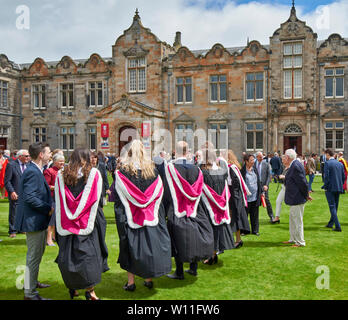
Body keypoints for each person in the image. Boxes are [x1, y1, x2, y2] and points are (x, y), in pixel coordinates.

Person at [112, 140, 171, 291]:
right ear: (144, 152)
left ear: (129, 153)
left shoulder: (122, 172)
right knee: (148, 245)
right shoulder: (153, 172)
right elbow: (158, 196)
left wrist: (121, 218)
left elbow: (119, 200)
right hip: (150, 216)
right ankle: (148, 279)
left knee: (130, 247)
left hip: (130, 216)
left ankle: (131, 283)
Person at [55, 148, 109, 300]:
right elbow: (95, 197)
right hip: (88, 220)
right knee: (88, 255)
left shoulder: (61, 175)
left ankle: (72, 288)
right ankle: (90, 290)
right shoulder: (92, 175)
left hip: (66, 222)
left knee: (68, 255)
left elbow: (58, 198)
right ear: (85, 159)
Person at [164, 141, 214, 280]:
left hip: (176, 207)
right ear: (187, 152)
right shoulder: (196, 169)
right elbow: (199, 190)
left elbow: (167, 191)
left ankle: (179, 271)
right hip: (194, 207)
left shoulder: (170, 168)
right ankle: (193, 268)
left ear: (176, 151)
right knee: (194, 236)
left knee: (177, 239)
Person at [14, 143, 54, 300]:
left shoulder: (35, 170)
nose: (50, 155)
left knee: (36, 254)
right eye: (49, 152)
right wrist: (48, 208)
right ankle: (30, 293)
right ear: (41, 155)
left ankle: (32, 282)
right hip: (33, 220)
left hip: (36, 220)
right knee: (33, 256)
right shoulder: (33, 172)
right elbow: (30, 197)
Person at [200, 148, 234, 264]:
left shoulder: (204, 173)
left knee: (209, 229)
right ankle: (214, 253)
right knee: (218, 229)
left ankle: (211, 255)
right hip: (220, 204)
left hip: (208, 204)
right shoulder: (222, 171)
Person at [282, 149, 312, 247]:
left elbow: (303, 182)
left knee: (297, 220)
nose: (283, 158)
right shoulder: (293, 165)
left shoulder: (295, 166)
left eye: (284, 156)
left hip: (297, 198)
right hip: (294, 197)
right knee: (292, 219)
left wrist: (306, 195)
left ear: (288, 157)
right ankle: (293, 238)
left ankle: (300, 241)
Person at [5, 149, 30, 238]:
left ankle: (22, 228)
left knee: (24, 211)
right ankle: (12, 230)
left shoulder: (29, 165)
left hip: (26, 193)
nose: (28, 158)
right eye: (26, 156)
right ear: (20, 157)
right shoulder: (11, 165)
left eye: (28, 156)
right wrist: (12, 191)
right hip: (15, 192)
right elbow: (7, 181)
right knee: (14, 212)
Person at [227, 150, 250, 248]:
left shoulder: (232, 168)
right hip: (234, 196)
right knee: (234, 219)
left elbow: (235, 183)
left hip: (234, 196)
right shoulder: (232, 167)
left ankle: (237, 240)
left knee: (235, 219)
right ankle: (237, 239)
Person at [43, 153, 65, 246]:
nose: (62, 163)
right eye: (60, 161)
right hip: (52, 198)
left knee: (59, 218)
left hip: (61, 197)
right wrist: (56, 187)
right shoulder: (49, 171)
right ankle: (48, 238)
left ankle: (55, 236)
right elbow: (45, 186)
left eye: (63, 161)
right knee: (52, 218)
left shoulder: (64, 171)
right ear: (55, 162)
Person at [322, 149, 345, 232]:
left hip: (330, 187)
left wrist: (325, 186)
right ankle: (331, 223)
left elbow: (326, 177)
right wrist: (340, 185)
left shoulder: (327, 163)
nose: (325, 156)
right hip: (338, 187)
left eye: (325, 155)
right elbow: (343, 177)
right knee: (335, 206)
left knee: (332, 206)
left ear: (328, 154)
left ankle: (338, 226)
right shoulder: (339, 163)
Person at [241, 154, 262, 236]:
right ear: (246, 161)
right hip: (246, 197)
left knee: (255, 214)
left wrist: (261, 193)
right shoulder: (242, 171)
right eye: (251, 160)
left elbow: (258, 181)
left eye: (254, 160)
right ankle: (245, 231)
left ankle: (255, 230)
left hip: (255, 196)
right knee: (245, 215)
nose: (253, 162)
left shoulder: (255, 169)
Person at [254, 151, 274, 223]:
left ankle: (271, 216)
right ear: (256, 157)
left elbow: (269, 175)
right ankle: (254, 218)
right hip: (255, 185)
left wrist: (266, 185)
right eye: (259, 157)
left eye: (262, 157)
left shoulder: (266, 164)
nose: (261, 158)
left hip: (264, 185)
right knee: (254, 202)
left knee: (266, 200)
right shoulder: (254, 164)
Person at [272, 155, 289, 224]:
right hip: (283, 187)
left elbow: (292, 177)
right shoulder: (284, 167)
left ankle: (295, 218)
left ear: (287, 159)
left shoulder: (291, 167)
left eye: (283, 159)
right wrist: (278, 177)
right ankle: (277, 218)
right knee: (278, 201)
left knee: (292, 204)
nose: (282, 161)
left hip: (289, 188)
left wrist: (284, 176)